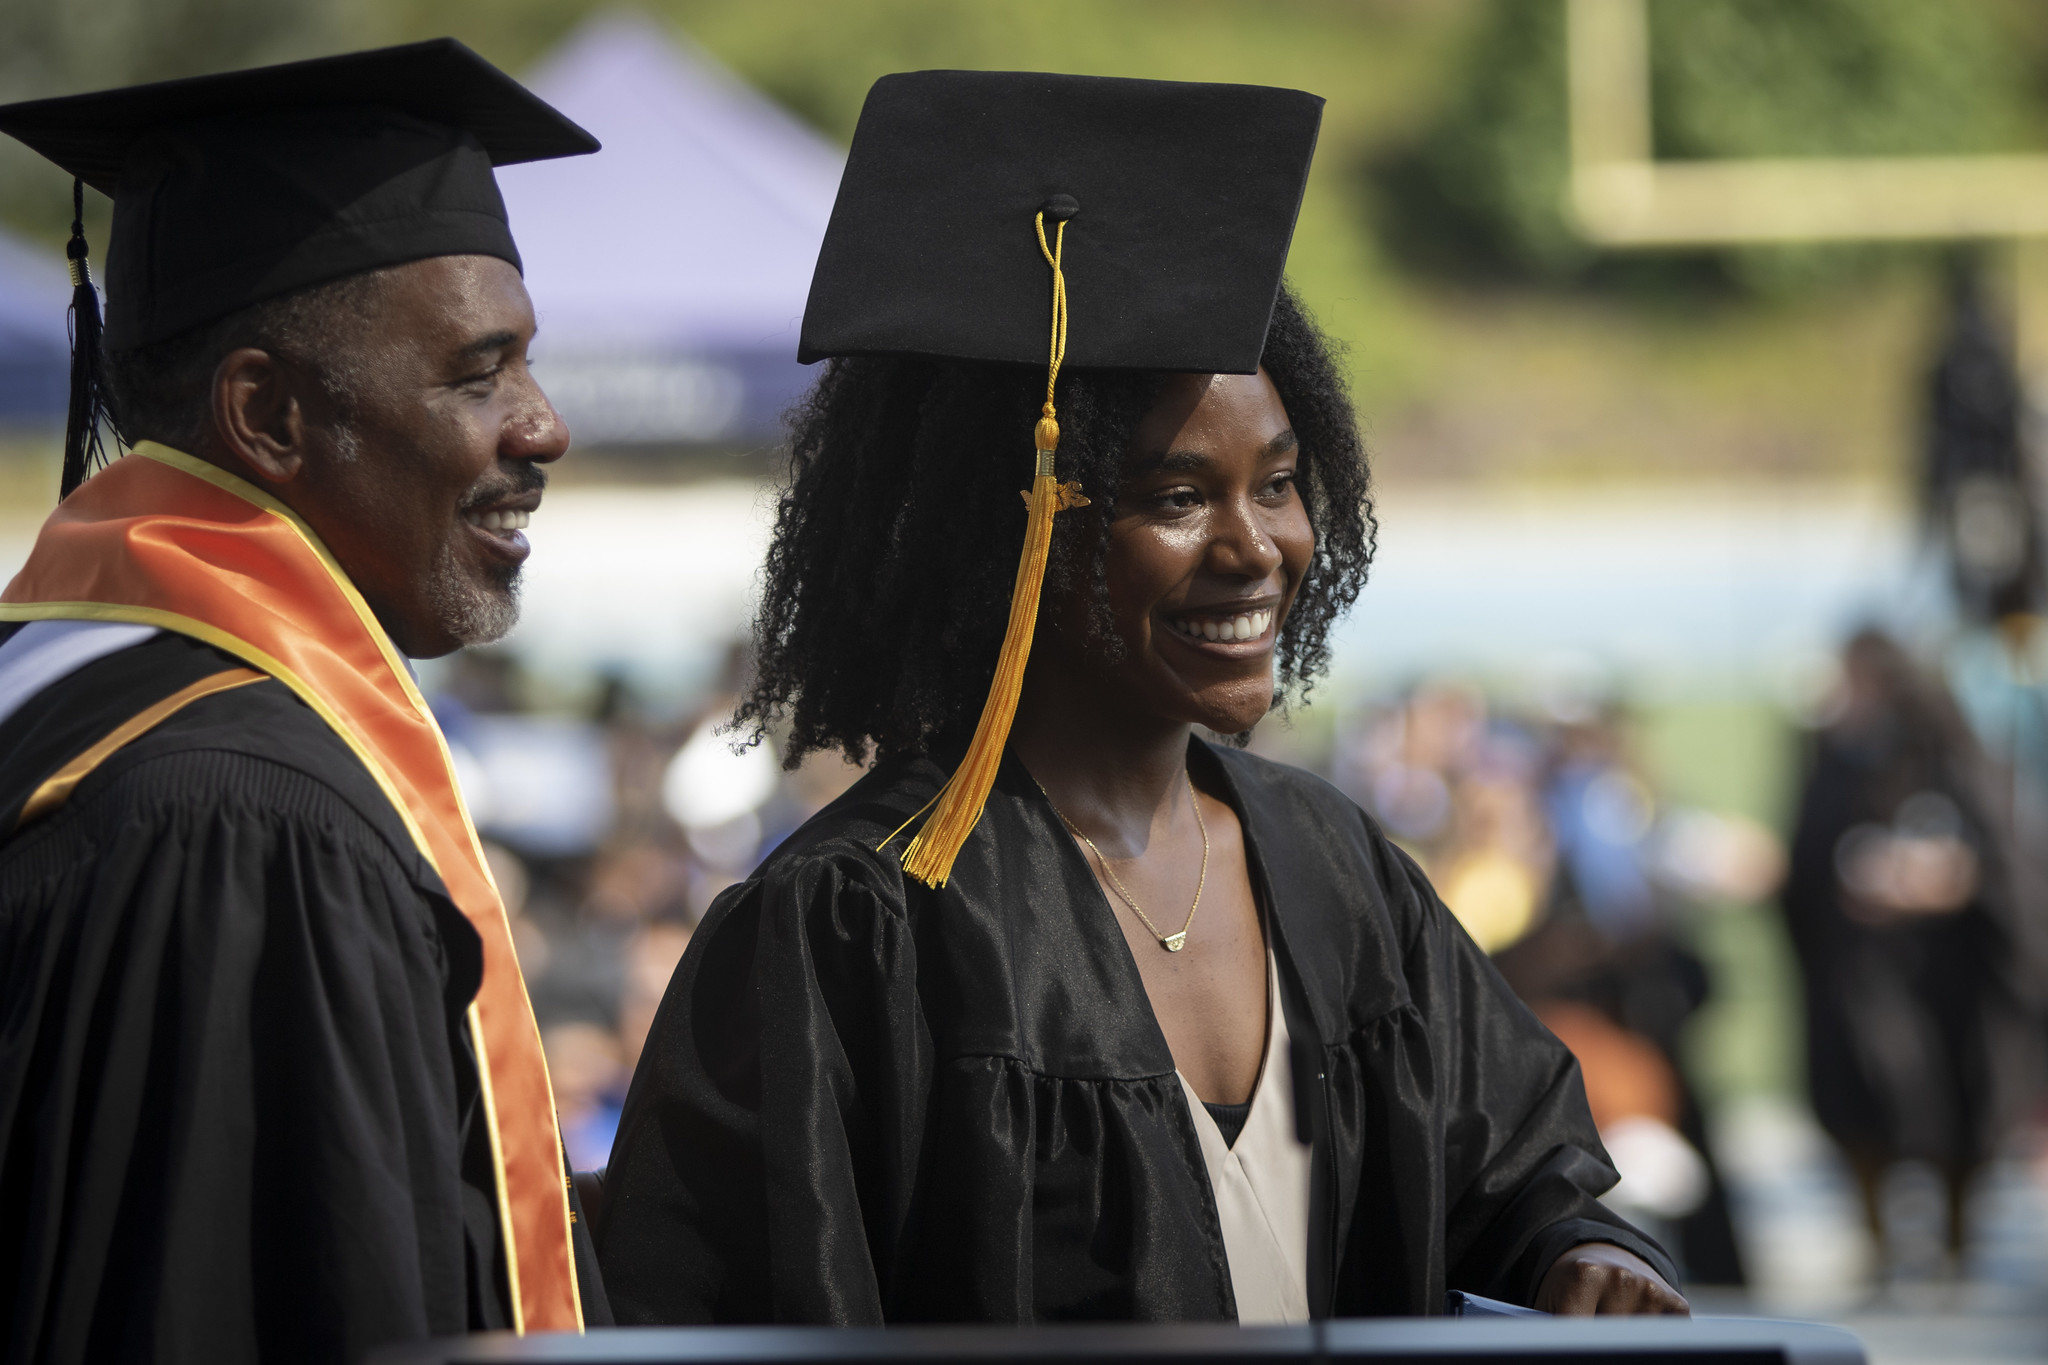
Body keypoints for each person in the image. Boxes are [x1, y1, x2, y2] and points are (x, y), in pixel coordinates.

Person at [596, 70, 1686, 1324]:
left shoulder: (1328, 865)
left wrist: (1579, 1250)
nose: (1253, 549)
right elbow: (743, 1315)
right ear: (1010, 539)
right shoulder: (856, 925)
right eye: (1175, 498)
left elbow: (1515, 1166)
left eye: (1275, 485)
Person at [0, 42, 611, 1362]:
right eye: (476, 371)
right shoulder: (247, 824)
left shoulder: (68, 706)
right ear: (266, 416)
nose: (545, 425)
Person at [1782, 628, 2045, 1281]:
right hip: (1864, 971)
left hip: (1948, 972)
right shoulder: (1834, 760)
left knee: (1962, 1097)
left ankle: (1957, 1240)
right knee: (1859, 1093)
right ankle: (1878, 1242)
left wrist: (1953, 879)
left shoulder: (1954, 756)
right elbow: (1807, 865)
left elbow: (2006, 868)